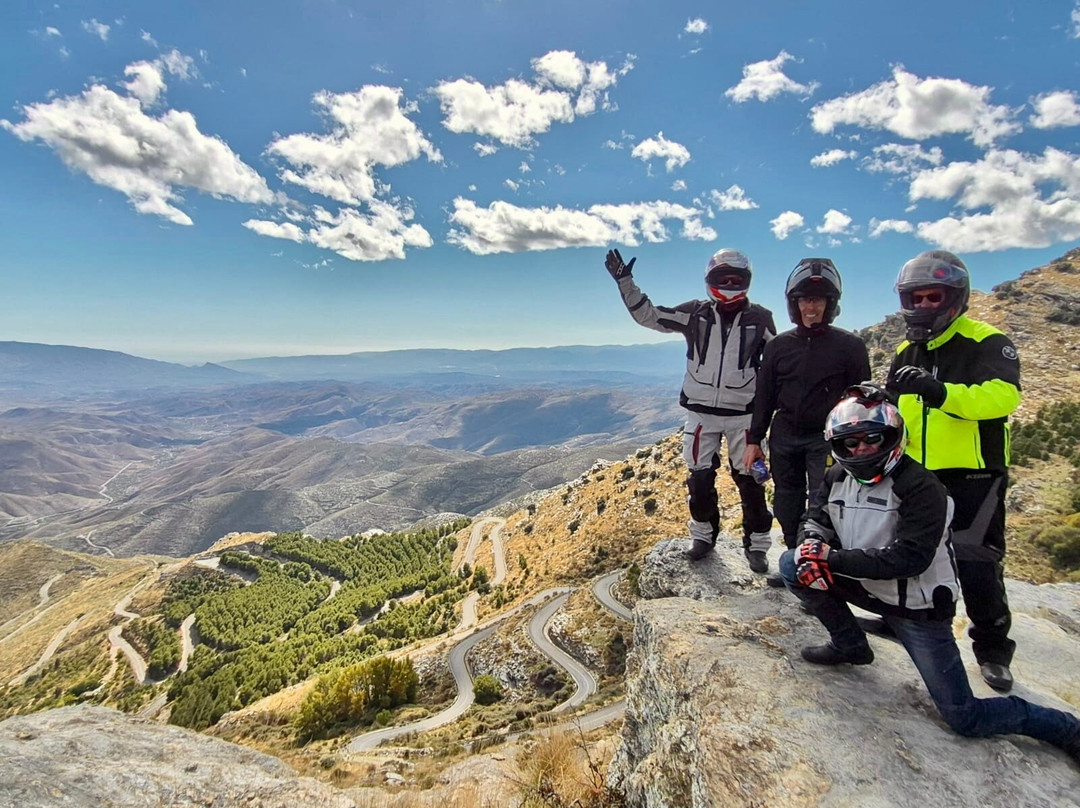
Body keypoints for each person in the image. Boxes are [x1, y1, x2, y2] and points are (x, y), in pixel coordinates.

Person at [778, 385, 1080, 765]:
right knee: (791, 564)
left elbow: (909, 559)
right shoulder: (837, 476)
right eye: (849, 442)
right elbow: (816, 518)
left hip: (917, 610)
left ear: (892, 438)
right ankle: (850, 644)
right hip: (869, 589)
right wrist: (810, 545)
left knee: (963, 716)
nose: (861, 450)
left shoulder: (921, 487)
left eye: (873, 439)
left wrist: (830, 559)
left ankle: (1066, 727)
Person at [884, 250, 1021, 693]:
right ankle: (909, 622)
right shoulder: (908, 349)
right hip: (919, 471)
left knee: (977, 561)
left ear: (954, 298)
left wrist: (941, 392)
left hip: (974, 472)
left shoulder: (986, 340)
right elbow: (896, 403)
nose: (923, 305)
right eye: (915, 297)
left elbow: (1002, 398)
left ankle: (993, 651)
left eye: (933, 296)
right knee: (915, 552)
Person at [604, 247, 776, 572]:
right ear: (709, 280)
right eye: (722, 278)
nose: (728, 283)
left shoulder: (761, 319)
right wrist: (625, 282)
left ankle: (757, 546)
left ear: (746, 281)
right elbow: (650, 316)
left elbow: (779, 360)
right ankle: (703, 538)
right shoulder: (695, 313)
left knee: (751, 482)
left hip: (744, 417)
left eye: (735, 278)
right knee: (699, 480)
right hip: (700, 415)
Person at [744, 258, 869, 586]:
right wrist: (754, 441)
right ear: (793, 303)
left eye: (817, 299)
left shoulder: (851, 347)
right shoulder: (778, 347)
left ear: (831, 304)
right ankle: (795, 564)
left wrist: (858, 446)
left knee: (823, 504)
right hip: (784, 434)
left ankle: (821, 570)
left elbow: (860, 402)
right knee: (786, 502)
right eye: (803, 300)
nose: (810, 307)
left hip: (826, 439)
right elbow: (764, 396)